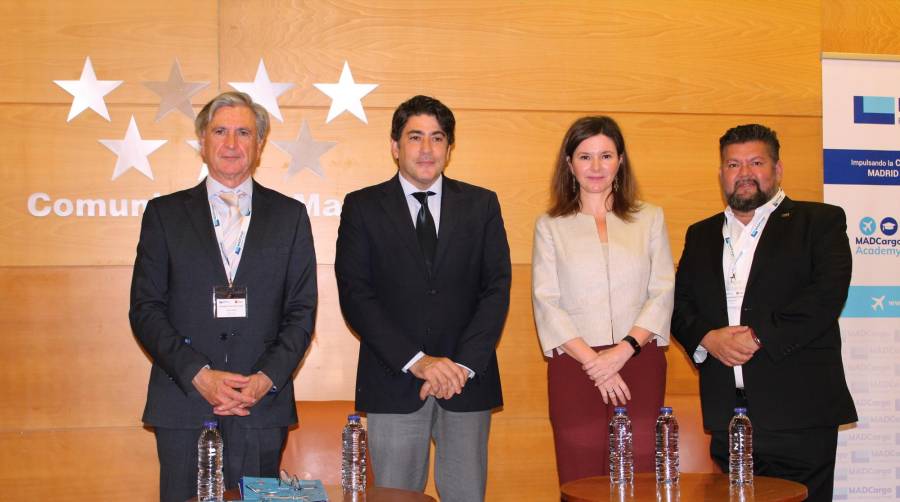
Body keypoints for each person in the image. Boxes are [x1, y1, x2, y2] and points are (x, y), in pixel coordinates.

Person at [129, 91, 317, 502]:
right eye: (220, 131)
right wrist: (199, 374)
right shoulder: (164, 215)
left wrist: (265, 379)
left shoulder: (290, 216)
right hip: (184, 404)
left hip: (260, 407)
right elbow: (146, 309)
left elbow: (301, 311)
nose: (232, 144)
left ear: (260, 145)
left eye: (244, 132)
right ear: (202, 140)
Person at [334, 95, 511, 502]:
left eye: (437, 138)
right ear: (395, 146)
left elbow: (496, 288)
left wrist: (463, 364)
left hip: (467, 383)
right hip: (394, 380)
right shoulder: (362, 207)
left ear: (450, 148)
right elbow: (357, 295)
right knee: (395, 499)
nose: (427, 149)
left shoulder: (482, 204)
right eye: (415, 137)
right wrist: (418, 361)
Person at [671, 124, 856, 502]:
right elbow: (679, 304)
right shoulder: (701, 233)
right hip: (729, 415)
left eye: (756, 162)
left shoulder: (819, 222)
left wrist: (758, 337)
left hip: (799, 415)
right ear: (721, 173)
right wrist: (707, 337)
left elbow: (824, 298)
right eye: (733, 164)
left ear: (778, 169)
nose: (744, 173)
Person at [532, 116, 675, 485]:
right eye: (585, 156)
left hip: (639, 359)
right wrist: (595, 361)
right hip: (576, 365)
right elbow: (546, 300)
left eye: (606, 155)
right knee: (581, 471)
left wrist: (622, 351)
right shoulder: (550, 225)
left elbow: (662, 291)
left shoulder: (651, 218)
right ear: (569, 164)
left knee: (640, 469)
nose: (596, 167)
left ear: (621, 161)